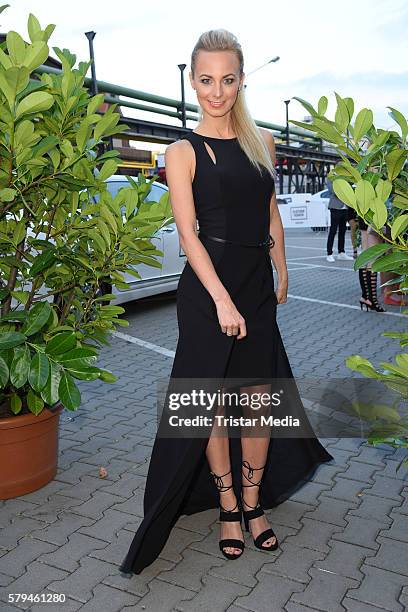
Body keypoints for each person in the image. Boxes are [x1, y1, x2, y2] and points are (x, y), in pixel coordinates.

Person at [119, 28, 333, 575]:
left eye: (229, 79)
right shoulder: (181, 151)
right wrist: (221, 300)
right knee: (212, 402)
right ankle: (229, 506)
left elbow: (270, 215)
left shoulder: (264, 140)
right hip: (208, 289)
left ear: (242, 80)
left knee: (259, 399)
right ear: (193, 81)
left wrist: (282, 267)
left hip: (255, 285)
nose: (217, 92)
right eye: (207, 80)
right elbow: (188, 235)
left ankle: (255, 501)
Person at [326, 178, 354, 262]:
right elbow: (333, 191)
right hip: (335, 207)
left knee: (343, 231)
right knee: (333, 231)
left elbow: (350, 188)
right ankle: (329, 253)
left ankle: (341, 252)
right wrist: (344, 191)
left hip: (345, 208)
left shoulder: (345, 177)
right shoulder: (331, 177)